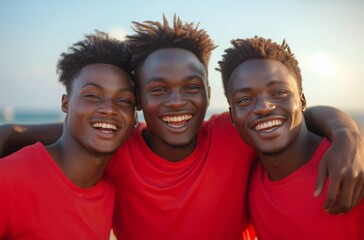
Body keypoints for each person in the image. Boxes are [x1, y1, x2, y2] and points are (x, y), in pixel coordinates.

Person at [1, 16, 364, 239]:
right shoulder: (118, 144)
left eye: (192, 88)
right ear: (140, 100)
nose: (177, 101)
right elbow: (76, 132)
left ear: (208, 94)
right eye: (159, 90)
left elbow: (295, 114)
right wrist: (13, 133)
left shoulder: (232, 135)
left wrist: (348, 135)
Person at [218, 36, 364, 239]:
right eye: (244, 100)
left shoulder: (351, 170)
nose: (263, 107)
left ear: (302, 101)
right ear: (232, 115)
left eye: (278, 92)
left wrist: (347, 134)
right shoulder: (250, 185)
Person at [0, 31, 137, 239]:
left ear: (134, 118)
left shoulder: (110, 194)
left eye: (124, 100)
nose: (109, 109)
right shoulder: (9, 180)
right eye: (92, 95)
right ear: (65, 103)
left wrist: (13, 132)